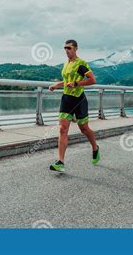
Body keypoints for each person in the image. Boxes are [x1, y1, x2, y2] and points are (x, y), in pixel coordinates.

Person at [48, 39, 100, 172]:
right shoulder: (66, 64)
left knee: (84, 129)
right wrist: (56, 85)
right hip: (66, 99)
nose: (66, 50)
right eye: (65, 48)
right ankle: (60, 162)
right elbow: (66, 81)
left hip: (79, 100)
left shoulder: (80, 64)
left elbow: (92, 80)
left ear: (76, 49)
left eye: (69, 48)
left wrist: (77, 84)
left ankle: (95, 148)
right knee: (62, 129)